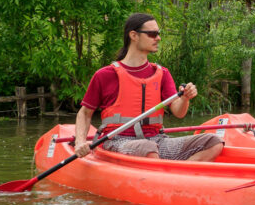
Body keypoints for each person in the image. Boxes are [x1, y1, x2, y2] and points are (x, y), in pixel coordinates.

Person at [74, 13, 224, 161]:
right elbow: (85, 113)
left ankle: (179, 177)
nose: (158, 38)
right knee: (147, 148)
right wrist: (80, 142)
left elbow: (179, 113)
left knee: (213, 141)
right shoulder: (105, 75)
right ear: (134, 35)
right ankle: (163, 175)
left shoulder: (162, 73)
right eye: (152, 34)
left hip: (157, 139)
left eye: (158, 33)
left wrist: (185, 98)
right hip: (117, 140)